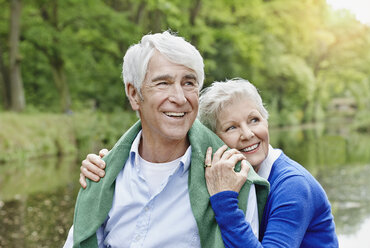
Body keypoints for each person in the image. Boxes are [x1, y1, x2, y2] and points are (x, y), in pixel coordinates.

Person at [64, 32, 270, 248]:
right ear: (134, 94)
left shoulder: (233, 178)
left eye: (189, 83)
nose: (180, 98)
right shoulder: (103, 175)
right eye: (163, 83)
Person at [82, 78, 339, 247]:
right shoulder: (219, 170)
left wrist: (225, 203)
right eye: (231, 127)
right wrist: (107, 166)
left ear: (267, 120)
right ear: (213, 140)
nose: (248, 134)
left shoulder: (293, 186)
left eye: (254, 120)